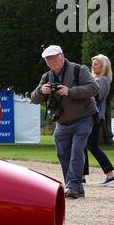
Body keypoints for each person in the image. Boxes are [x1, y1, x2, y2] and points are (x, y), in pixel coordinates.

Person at [31, 45, 99, 199]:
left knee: (77, 151)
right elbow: (34, 98)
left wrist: (70, 91)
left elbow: (94, 88)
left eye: (54, 58)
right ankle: (75, 187)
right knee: (62, 154)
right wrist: (42, 91)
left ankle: (72, 186)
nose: (52, 62)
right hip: (61, 122)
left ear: (62, 55)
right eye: (48, 60)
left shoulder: (78, 70)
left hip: (83, 119)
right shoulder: (46, 77)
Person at [84, 54, 114, 186]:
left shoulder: (103, 80)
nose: (93, 66)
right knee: (87, 146)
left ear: (104, 66)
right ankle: (108, 175)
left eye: (96, 63)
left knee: (91, 146)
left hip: (95, 116)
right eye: (93, 63)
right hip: (89, 116)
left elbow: (96, 97)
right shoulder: (93, 79)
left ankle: (110, 175)